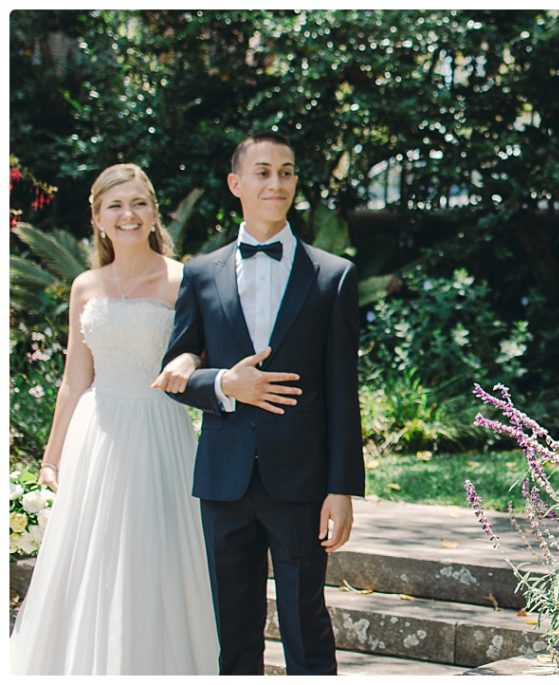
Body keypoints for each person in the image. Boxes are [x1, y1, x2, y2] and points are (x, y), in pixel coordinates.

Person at [161, 131, 364, 675]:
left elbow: (344, 391)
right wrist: (227, 384)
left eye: (287, 172)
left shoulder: (333, 275)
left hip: (301, 480)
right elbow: (177, 365)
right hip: (224, 479)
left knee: (306, 625)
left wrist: (341, 488)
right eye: (263, 171)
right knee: (233, 632)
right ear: (236, 184)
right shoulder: (200, 274)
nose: (277, 182)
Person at [9, 163, 219, 674]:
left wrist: (188, 362)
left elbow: (202, 358)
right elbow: (73, 380)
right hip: (96, 435)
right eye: (116, 205)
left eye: (138, 203)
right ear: (98, 218)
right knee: (90, 559)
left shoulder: (183, 279)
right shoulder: (84, 285)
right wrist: (51, 459)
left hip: (159, 432)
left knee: (155, 554)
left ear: (153, 213)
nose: (128, 214)